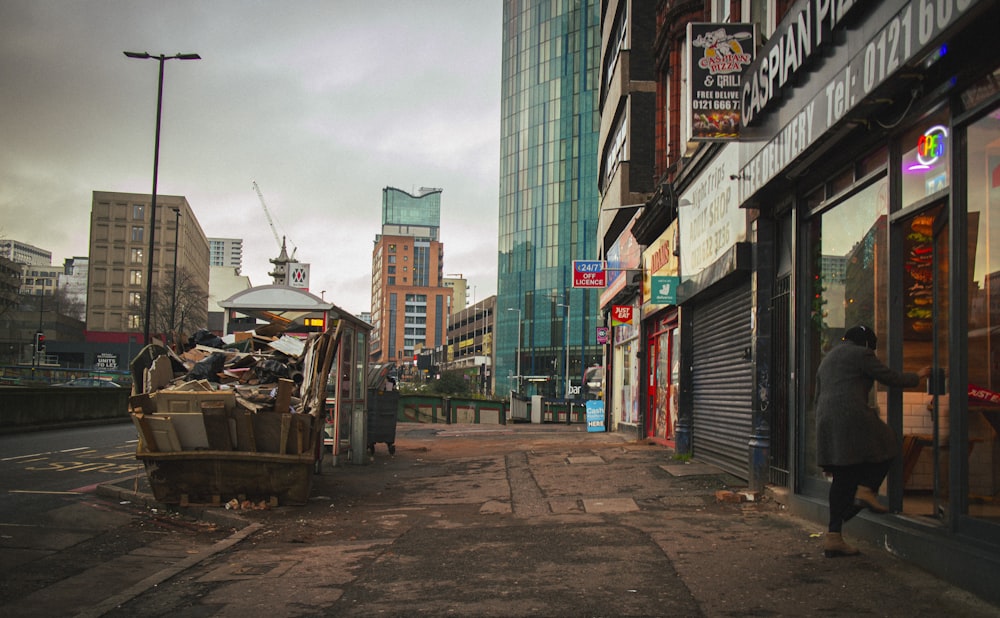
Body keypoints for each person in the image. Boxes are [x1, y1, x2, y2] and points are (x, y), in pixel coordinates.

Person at [814, 325, 930, 557]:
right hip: (851, 415)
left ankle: (833, 536)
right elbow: (889, 377)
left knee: (842, 475)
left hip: (826, 420)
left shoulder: (828, 358)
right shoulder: (862, 354)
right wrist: (918, 376)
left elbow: (818, 393)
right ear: (867, 344)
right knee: (888, 441)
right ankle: (866, 490)